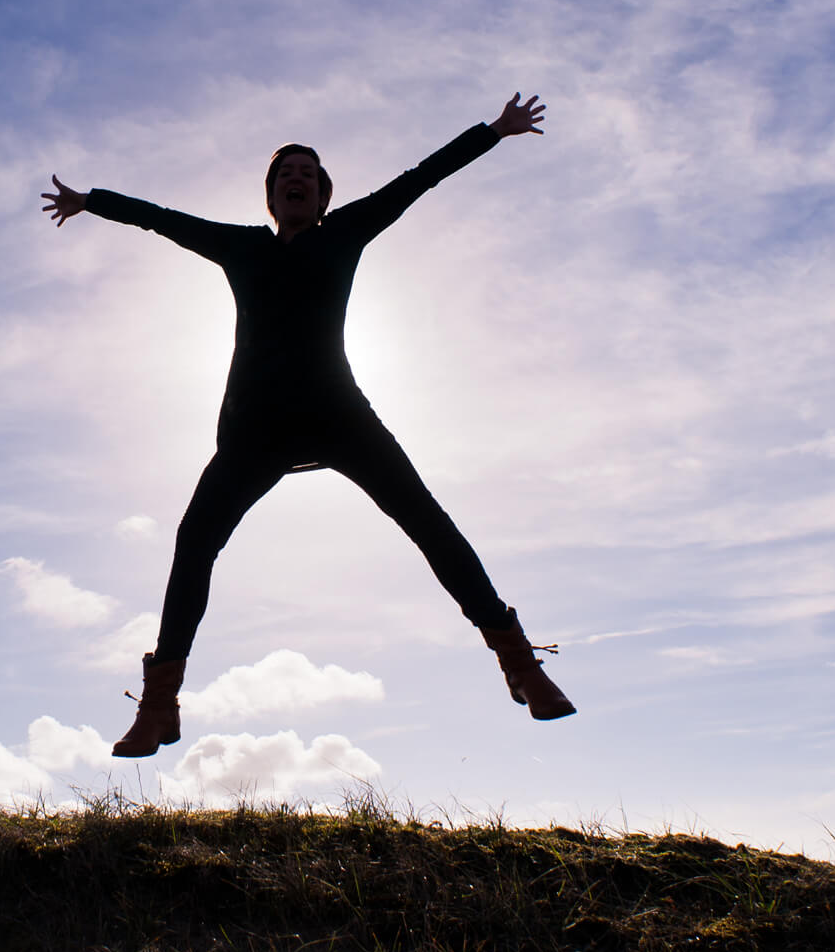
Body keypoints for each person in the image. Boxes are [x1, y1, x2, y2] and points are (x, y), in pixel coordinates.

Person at [42, 93, 574, 758]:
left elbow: (419, 178)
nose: (298, 177)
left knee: (428, 521)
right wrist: (90, 200)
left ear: (323, 195)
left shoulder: (345, 232)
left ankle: (521, 665)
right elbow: (162, 220)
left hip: (338, 416)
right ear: (271, 195)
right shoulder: (241, 247)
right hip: (254, 430)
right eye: (286, 172)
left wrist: (493, 131)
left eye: (310, 172)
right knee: (193, 540)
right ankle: (160, 704)